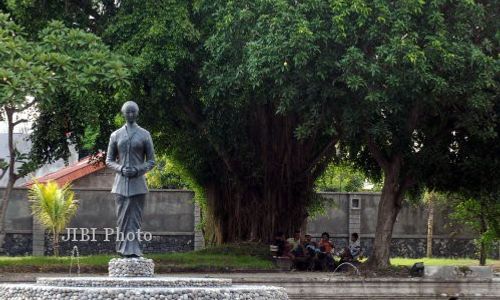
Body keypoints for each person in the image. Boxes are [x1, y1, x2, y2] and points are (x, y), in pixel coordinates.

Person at [106, 101, 156, 257]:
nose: (130, 114)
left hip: (138, 185)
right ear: (123, 113)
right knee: (122, 219)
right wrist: (121, 168)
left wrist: (137, 169)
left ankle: (134, 250)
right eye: (128, 112)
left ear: (137, 112)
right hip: (120, 185)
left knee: (135, 219)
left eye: (133, 111)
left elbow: (151, 161)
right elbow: (109, 160)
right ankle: (122, 250)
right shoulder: (115, 135)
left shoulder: (144, 134)